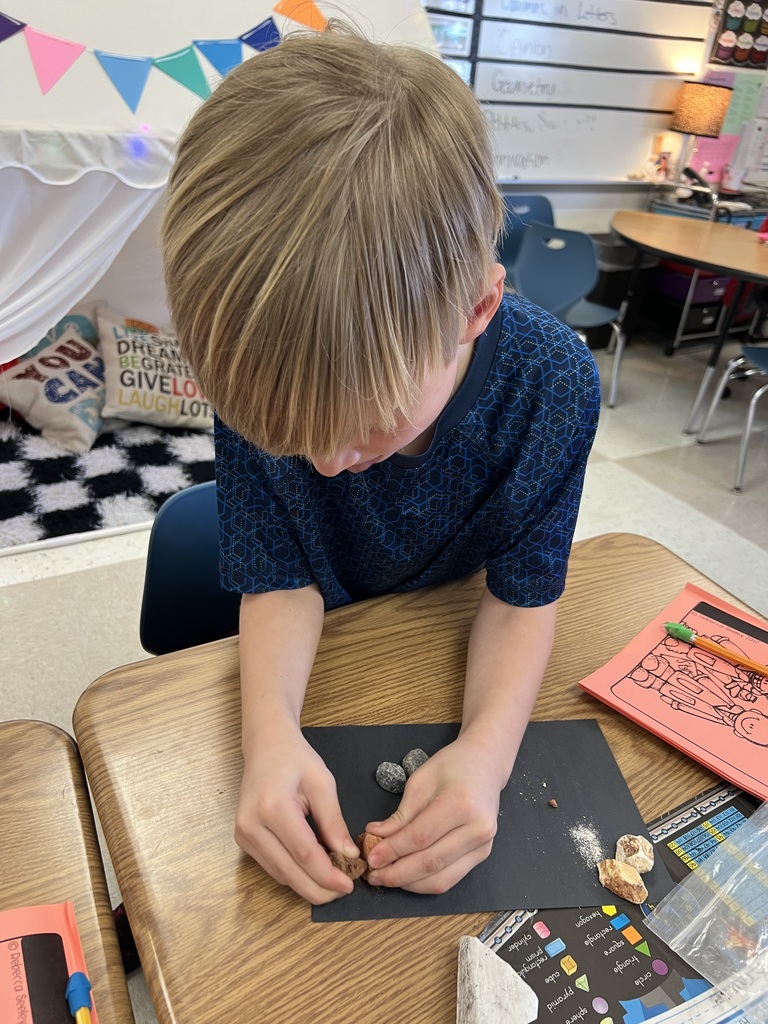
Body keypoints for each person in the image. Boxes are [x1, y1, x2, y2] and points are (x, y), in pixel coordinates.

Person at [161, 25, 601, 905]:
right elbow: (279, 574)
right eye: (289, 434)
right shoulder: (275, 358)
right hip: (323, 636)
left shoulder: (553, 386)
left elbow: (522, 602)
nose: (324, 464)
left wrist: (486, 753)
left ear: (478, 307)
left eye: (365, 425)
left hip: (425, 635)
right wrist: (270, 735)